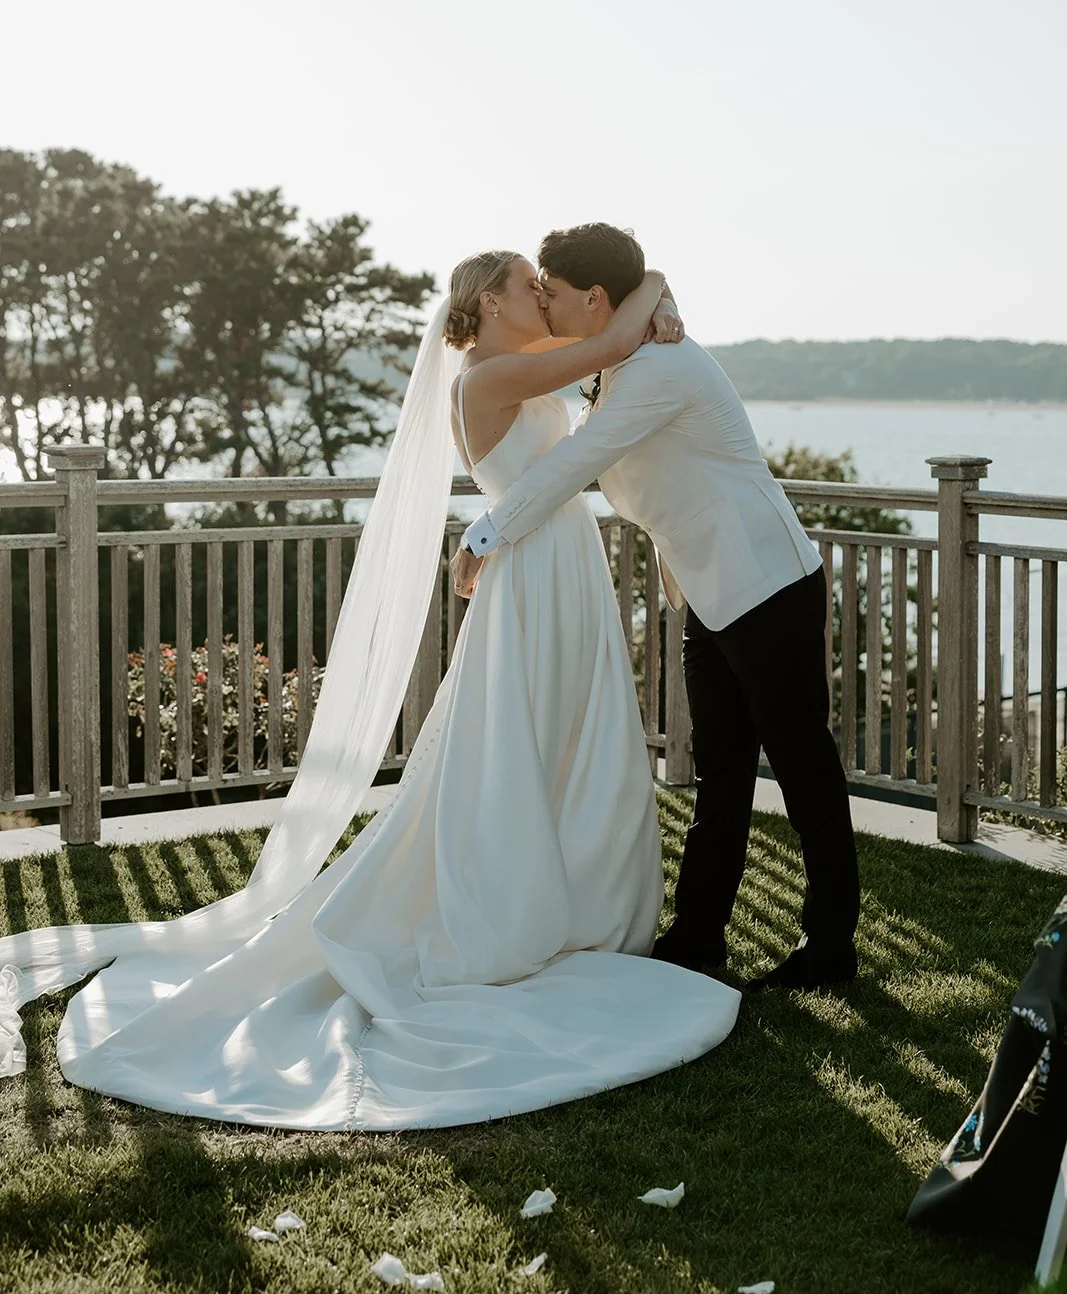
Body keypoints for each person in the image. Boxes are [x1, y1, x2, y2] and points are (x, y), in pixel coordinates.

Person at [0, 251, 738, 1129]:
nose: (542, 294)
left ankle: (588, 904)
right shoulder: (487, 376)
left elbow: (606, 358)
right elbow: (611, 343)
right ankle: (521, 910)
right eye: (527, 284)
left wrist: (654, 305)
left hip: (559, 562)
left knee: (576, 738)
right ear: (488, 303)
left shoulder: (520, 362)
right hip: (534, 575)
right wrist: (656, 283)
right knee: (523, 740)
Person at [455, 222, 861, 991]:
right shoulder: (623, 359)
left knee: (803, 766)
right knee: (720, 769)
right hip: (706, 591)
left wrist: (484, 534)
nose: (545, 304)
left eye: (552, 292)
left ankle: (830, 947)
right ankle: (698, 935)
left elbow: (576, 460)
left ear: (594, 298)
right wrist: (660, 294)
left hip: (767, 585)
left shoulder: (657, 369)